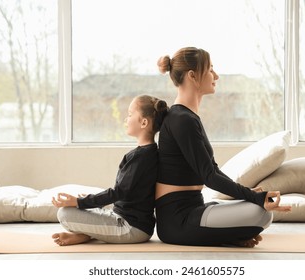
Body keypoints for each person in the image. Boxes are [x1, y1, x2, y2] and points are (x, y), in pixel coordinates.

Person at [155, 47, 291, 247]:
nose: (216, 75)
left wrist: (248, 193)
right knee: (261, 213)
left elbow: (213, 171)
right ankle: (231, 236)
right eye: (210, 69)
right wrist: (254, 196)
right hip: (178, 222)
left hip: (192, 211)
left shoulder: (186, 117)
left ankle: (231, 237)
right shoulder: (181, 119)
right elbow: (209, 176)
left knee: (260, 210)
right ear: (192, 76)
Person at [51, 95, 168, 246]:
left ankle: (86, 236)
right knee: (82, 209)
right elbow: (128, 194)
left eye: (130, 114)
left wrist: (80, 202)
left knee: (64, 214)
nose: (126, 119)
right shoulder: (149, 153)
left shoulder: (142, 157)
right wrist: (90, 201)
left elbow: (118, 192)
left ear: (144, 122)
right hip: (128, 221)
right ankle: (86, 235)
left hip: (131, 228)